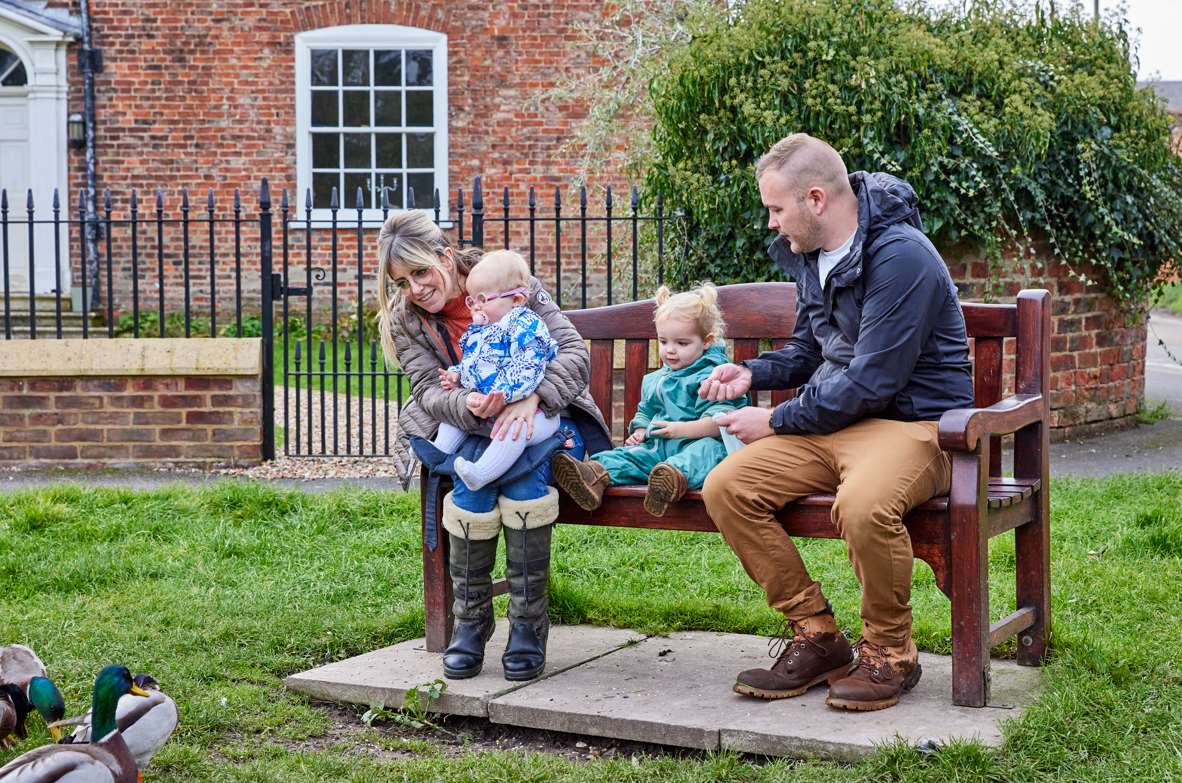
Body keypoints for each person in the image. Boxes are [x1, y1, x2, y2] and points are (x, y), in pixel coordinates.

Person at [698, 133, 974, 711]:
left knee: (863, 505)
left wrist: (775, 419)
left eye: (776, 208)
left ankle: (891, 653)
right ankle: (818, 635)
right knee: (728, 486)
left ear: (816, 199)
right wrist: (751, 372)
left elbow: (875, 381)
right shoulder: (812, 255)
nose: (771, 223)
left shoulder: (903, 257)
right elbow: (810, 348)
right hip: (836, 423)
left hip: (917, 427)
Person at [376, 212, 610, 682]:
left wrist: (533, 398)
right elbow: (428, 389)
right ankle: (472, 622)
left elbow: (572, 352)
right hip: (474, 421)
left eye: (421, 272)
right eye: (402, 282)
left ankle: (527, 626)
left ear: (444, 256)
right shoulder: (408, 320)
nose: (415, 289)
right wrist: (474, 405)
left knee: (523, 488)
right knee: (469, 495)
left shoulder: (503, 280)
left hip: (545, 420)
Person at [552, 284, 748, 517]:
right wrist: (642, 428)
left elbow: (721, 422)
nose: (670, 351)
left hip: (699, 444)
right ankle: (593, 475)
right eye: (663, 342)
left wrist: (680, 430)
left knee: (706, 452)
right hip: (659, 448)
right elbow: (646, 410)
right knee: (631, 455)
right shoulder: (658, 379)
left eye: (681, 343)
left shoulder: (714, 377)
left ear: (707, 341)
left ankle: (669, 480)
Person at [417, 249, 561, 492]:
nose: (475, 307)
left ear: (515, 300)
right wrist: (458, 375)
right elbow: (476, 362)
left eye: (483, 299)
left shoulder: (526, 325)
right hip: (491, 406)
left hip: (533, 413)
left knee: (513, 431)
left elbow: (528, 367)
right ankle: (438, 452)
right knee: (455, 421)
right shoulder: (487, 329)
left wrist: (505, 395)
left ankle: (482, 473)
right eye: (472, 300)